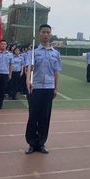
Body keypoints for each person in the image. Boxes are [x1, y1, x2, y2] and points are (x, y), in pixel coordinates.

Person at [25, 24, 62, 154]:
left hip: (48, 88)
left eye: (48, 32)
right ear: (39, 34)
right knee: (33, 116)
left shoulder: (55, 54)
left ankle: (41, 143)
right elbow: (28, 67)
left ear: (50, 34)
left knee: (45, 117)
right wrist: (28, 80)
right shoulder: (33, 52)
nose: (46, 35)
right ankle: (31, 143)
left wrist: (56, 87)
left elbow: (56, 71)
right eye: (43, 32)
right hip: (35, 87)